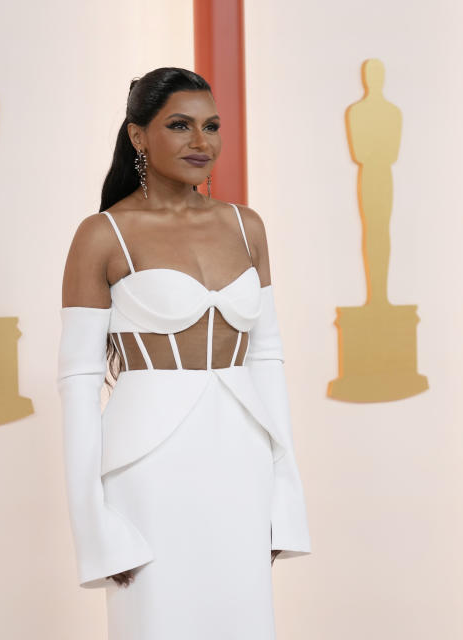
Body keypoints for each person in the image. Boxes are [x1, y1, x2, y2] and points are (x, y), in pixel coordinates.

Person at [56, 67, 312, 638]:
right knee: (158, 621)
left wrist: (286, 496)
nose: (203, 143)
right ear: (138, 136)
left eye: (212, 126)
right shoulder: (103, 234)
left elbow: (266, 359)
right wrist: (93, 528)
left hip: (242, 461)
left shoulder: (247, 227)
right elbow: (77, 383)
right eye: (180, 125)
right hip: (147, 469)